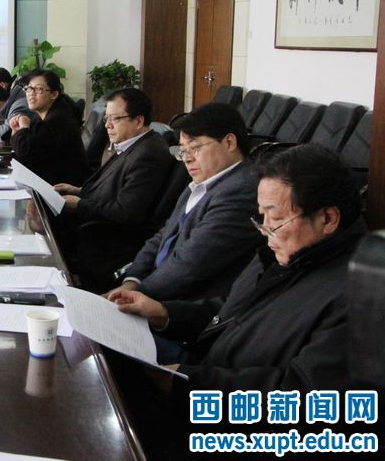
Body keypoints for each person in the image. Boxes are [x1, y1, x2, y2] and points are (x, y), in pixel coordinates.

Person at [109, 144, 366, 392]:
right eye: (262, 216)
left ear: (327, 219)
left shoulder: (358, 299)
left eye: (276, 218)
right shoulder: (281, 253)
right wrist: (164, 313)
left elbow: (302, 394)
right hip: (203, 364)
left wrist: (187, 383)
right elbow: (230, 311)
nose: (265, 231)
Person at [114, 102, 264, 301]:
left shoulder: (242, 192)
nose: (187, 159)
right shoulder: (203, 180)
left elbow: (189, 265)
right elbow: (163, 236)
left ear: (229, 143)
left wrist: (134, 295)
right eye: (183, 151)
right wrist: (132, 280)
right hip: (154, 288)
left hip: (183, 304)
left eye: (194, 148)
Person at [54, 88, 172, 223]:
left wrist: (79, 204)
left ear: (139, 121)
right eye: (106, 118)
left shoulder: (148, 154)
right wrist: (79, 191)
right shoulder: (132, 143)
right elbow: (111, 188)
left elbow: (125, 212)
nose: (107, 125)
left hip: (103, 229)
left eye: (115, 118)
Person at [9, 69, 90, 186]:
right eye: (29, 88)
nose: (31, 93)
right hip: (46, 180)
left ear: (54, 94)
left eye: (39, 89)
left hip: (63, 187)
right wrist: (16, 131)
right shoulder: (43, 115)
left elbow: (25, 151)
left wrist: (23, 128)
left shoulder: (58, 119)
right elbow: (21, 151)